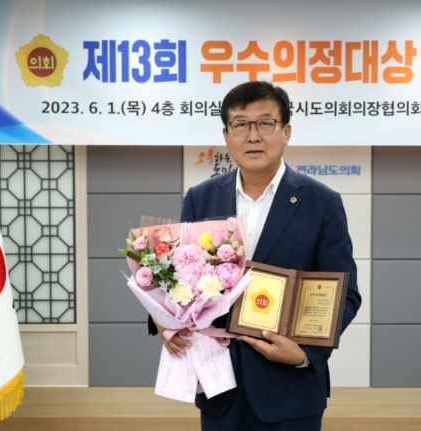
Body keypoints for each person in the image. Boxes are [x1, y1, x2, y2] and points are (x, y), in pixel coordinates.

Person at [149, 81, 361, 430]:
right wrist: (164, 318)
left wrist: (305, 354)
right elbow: (178, 278)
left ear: (286, 131)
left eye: (265, 123)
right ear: (226, 134)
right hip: (219, 387)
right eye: (241, 124)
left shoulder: (322, 202)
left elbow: (345, 295)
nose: (253, 136)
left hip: (290, 389)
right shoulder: (201, 198)